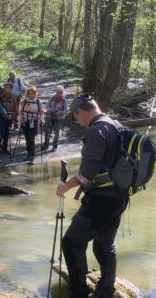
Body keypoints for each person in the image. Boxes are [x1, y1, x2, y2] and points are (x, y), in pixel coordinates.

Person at [56, 94, 129, 298]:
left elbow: (91, 168)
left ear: (83, 111)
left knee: (71, 243)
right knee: (104, 244)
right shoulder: (113, 124)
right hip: (119, 196)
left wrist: (66, 186)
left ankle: (80, 292)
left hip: (101, 199)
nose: (77, 121)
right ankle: (106, 291)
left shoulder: (97, 130)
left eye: (76, 116)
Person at [20, 86, 43, 163]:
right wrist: (21, 119)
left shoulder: (38, 102)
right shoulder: (25, 101)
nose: (31, 95)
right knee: (27, 138)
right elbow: (21, 111)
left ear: (35, 94)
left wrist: (41, 120)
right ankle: (29, 154)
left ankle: (32, 155)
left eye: (32, 94)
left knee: (31, 138)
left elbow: (41, 112)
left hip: (34, 122)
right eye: (29, 94)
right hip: (25, 122)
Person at [42, 85, 68, 152]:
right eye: (58, 92)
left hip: (59, 118)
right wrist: (51, 110)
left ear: (62, 92)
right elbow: (47, 106)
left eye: (60, 92)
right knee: (47, 130)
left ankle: (54, 146)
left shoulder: (64, 100)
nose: (59, 93)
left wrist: (60, 112)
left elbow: (65, 110)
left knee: (57, 132)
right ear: (56, 92)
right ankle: (46, 144)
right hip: (49, 116)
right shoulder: (52, 98)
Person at [0, 83, 18, 154]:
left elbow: (16, 107)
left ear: (11, 89)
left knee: (7, 132)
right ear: (4, 88)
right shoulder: (0, 95)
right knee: (2, 132)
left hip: (10, 116)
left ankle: (4, 148)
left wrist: (14, 117)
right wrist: (5, 114)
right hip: (2, 116)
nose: (8, 89)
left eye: (9, 88)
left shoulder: (13, 96)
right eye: (6, 88)